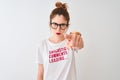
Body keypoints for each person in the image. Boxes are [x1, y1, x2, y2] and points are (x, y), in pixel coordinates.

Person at [37, 1, 84, 80]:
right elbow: (40, 73)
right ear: (50, 24)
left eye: (62, 25)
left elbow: (80, 45)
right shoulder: (42, 45)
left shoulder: (70, 41)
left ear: (67, 26)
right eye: (55, 24)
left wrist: (78, 42)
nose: (58, 29)